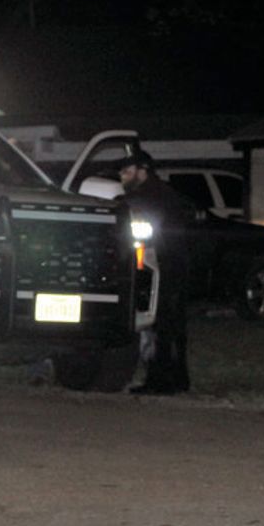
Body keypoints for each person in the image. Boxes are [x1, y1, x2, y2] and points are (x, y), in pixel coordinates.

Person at [118, 148, 196, 394]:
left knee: (161, 324)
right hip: (173, 263)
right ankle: (179, 379)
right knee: (173, 325)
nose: (123, 178)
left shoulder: (150, 196)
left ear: (143, 172)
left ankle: (160, 381)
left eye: (128, 172)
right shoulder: (162, 192)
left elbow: (145, 219)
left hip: (164, 265)